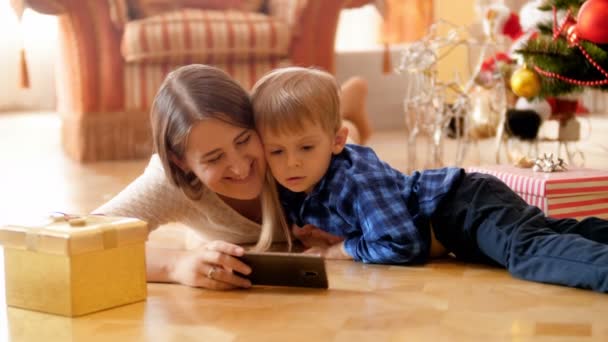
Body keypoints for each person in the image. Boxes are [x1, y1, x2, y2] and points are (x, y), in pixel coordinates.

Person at [250, 66, 608, 293]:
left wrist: (342, 249)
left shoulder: (357, 180)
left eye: (306, 147)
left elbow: (402, 245)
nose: (290, 163)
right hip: (464, 212)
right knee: (548, 231)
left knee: (527, 252)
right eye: (276, 151)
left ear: (337, 140)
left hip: (466, 208)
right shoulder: (294, 185)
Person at [94, 64, 372, 291]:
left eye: (243, 140)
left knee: (338, 142)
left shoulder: (281, 147)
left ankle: (346, 110)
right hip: (203, 234)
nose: (240, 168)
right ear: (182, 162)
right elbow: (80, 243)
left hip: (334, 141)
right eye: (214, 158)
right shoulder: (169, 181)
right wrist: (176, 265)